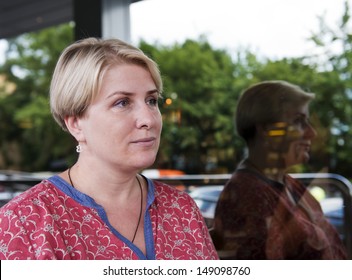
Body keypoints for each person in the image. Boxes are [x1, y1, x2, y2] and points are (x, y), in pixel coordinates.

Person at [0, 38, 218, 260]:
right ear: (76, 124)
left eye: (151, 101)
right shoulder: (24, 222)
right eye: (122, 102)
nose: (148, 119)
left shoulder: (182, 209)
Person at [212, 80, 347, 259]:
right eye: (299, 121)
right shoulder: (249, 197)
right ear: (267, 131)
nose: (311, 133)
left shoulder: (287, 184)